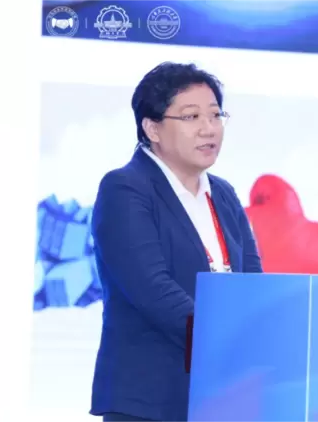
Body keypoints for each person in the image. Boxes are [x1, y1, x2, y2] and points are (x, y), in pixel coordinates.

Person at [89, 62, 263, 422]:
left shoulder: (224, 194)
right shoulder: (125, 189)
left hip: (223, 398)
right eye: (191, 116)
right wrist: (230, 342)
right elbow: (154, 291)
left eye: (215, 115)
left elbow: (252, 282)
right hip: (150, 401)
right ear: (152, 128)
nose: (208, 128)